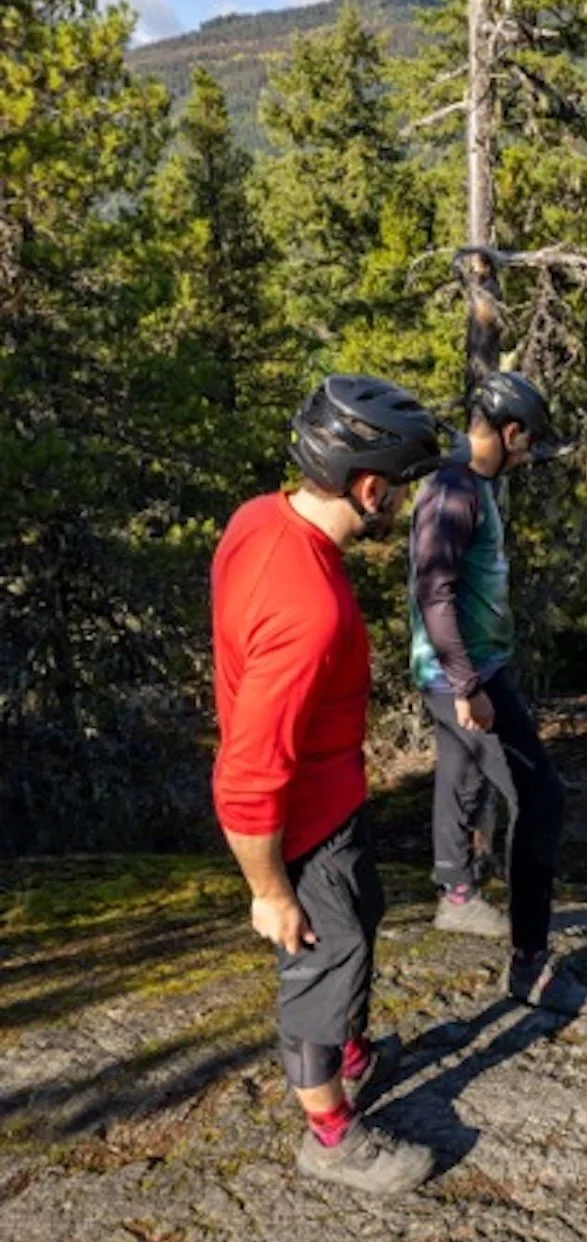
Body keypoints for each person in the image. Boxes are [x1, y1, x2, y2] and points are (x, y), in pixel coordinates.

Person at [212, 374, 456, 1194]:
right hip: (302, 821)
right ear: (371, 487)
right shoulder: (307, 606)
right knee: (326, 954)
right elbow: (247, 778)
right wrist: (269, 890)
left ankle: (352, 1053)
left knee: (363, 918)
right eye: (405, 487)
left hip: (336, 799)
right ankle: (329, 1131)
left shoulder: (258, 517)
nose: (403, 503)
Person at [409, 369, 587, 1016]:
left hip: (458, 669)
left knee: (462, 771)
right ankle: (530, 962)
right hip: (466, 671)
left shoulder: (466, 481)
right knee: (540, 796)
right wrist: (467, 683)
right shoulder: (454, 491)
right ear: (509, 431)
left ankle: (457, 893)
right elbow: (434, 592)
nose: (528, 455)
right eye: (527, 442)